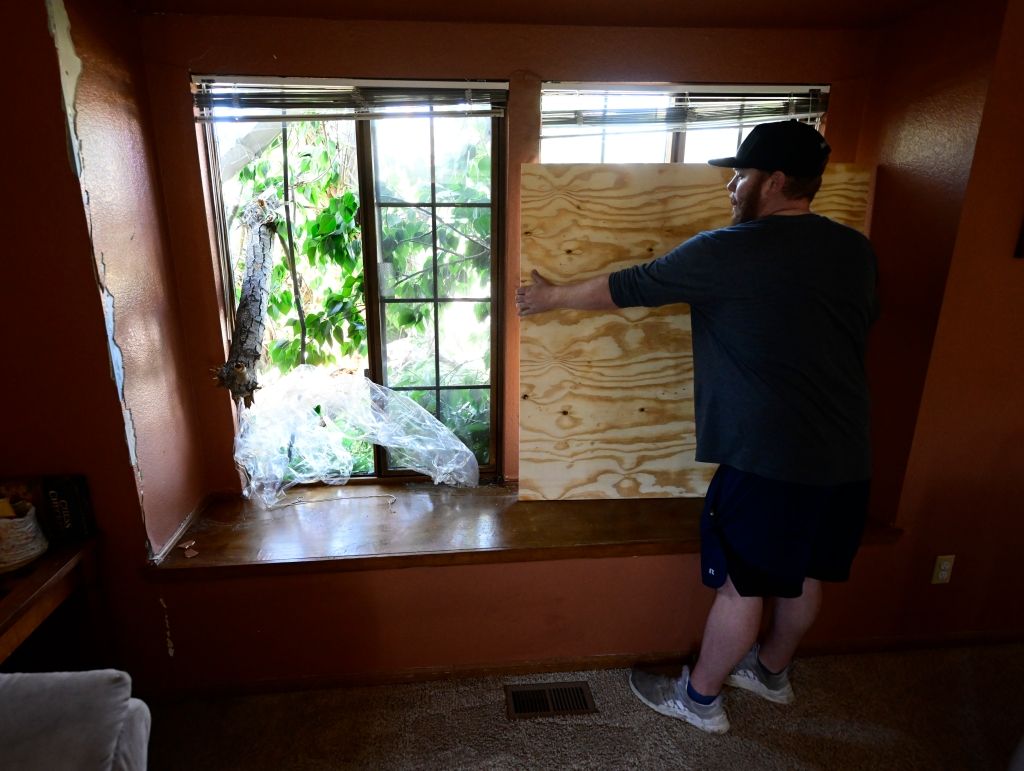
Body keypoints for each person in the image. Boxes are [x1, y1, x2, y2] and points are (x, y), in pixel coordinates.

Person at [515, 120, 879, 734]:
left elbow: (629, 286)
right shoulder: (856, 252)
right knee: (806, 575)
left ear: (777, 182)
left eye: (741, 175)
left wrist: (549, 299)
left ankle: (701, 701)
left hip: (771, 463)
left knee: (744, 585)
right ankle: (771, 673)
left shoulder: (727, 252)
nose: (731, 186)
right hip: (848, 458)